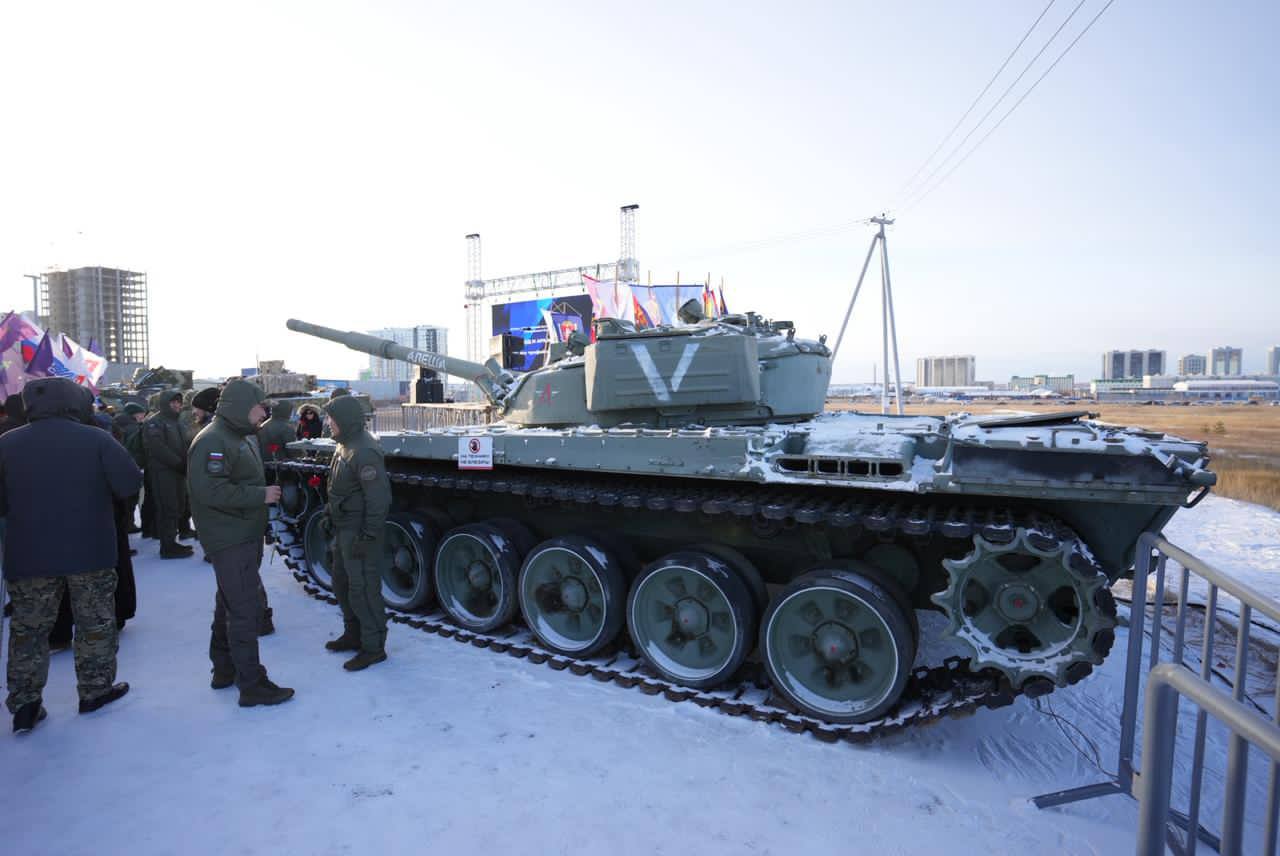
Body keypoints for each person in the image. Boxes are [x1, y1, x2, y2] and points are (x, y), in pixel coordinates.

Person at [0, 377, 141, 733]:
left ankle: (25, 703)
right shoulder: (96, 439)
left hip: (28, 555)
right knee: (95, 624)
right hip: (90, 551)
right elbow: (128, 484)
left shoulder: (6, 444)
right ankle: (94, 691)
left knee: (29, 630)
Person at [187, 379, 293, 706]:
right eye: (260, 407)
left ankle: (223, 669)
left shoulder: (237, 436)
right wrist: (260, 495)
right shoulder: (214, 441)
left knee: (229, 603)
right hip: (229, 537)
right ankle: (252, 684)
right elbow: (210, 491)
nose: (264, 413)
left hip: (241, 533)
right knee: (244, 609)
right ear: (243, 405)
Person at [321, 393, 390, 671]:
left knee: (363, 589)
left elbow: (378, 499)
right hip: (343, 529)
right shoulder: (344, 446)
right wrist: (329, 514)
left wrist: (369, 535)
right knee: (342, 584)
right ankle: (354, 634)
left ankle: (373, 647)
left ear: (346, 420)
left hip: (359, 532)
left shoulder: (364, 450)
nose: (328, 423)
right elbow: (338, 487)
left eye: (331, 419)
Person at [143, 389, 193, 558]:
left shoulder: (177, 422)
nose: (177, 405)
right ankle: (168, 546)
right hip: (163, 473)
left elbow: (185, 444)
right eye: (173, 402)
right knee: (167, 508)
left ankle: (172, 540)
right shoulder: (154, 422)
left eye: (179, 402)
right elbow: (157, 448)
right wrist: (178, 463)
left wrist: (186, 462)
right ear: (165, 403)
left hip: (178, 472)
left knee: (179, 506)